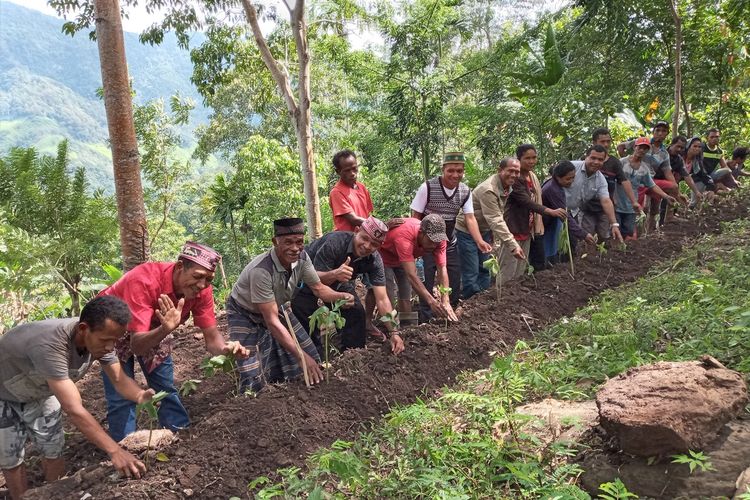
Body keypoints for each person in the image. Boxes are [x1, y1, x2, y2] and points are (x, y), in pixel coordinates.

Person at [0, 297, 156, 499]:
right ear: (83, 329)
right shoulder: (51, 346)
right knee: (11, 457)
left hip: (40, 388)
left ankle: (55, 493)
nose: (110, 347)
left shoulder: (100, 338)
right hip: (4, 393)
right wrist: (115, 451)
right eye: (105, 341)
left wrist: (139, 395)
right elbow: (74, 409)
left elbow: (119, 379)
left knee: (53, 448)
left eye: (114, 341)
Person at [99, 242, 248, 442]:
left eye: (209, 279)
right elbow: (136, 345)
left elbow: (212, 339)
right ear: (179, 267)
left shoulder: (202, 291)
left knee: (165, 388)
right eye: (197, 276)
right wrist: (165, 329)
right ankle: (126, 449)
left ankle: (178, 438)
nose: (202, 285)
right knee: (120, 396)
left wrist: (226, 349)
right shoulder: (144, 280)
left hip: (156, 327)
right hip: (112, 327)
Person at [227, 218, 355, 392]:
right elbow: (272, 321)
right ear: (275, 242)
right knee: (251, 372)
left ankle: (292, 388)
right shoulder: (262, 271)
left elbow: (318, 288)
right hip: (244, 311)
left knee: (309, 351)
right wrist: (302, 358)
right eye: (288, 242)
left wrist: (340, 296)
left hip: (276, 305)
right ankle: (255, 400)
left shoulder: (302, 258)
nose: (295, 248)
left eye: (299, 242)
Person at [291, 217, 404, 355]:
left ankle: (353, 355)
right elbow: (313, 281)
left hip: (339, 280)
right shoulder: (334, 243)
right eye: (364, 238)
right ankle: (313, 358)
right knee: (308, 319)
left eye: (374, 244)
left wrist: (394, 332)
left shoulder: (375, 260)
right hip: (305, 277)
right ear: (356, 231)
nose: (367, 246)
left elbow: (382, 299)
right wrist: (334, 274)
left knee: (356, 313)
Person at [410, 152, 492, 322]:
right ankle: (426, 318)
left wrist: (479, 241)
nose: (455, 175)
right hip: (426, 241)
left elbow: (470, 218)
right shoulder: (428, 187)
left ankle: (450, 313)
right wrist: (416, 245)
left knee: (454, 278)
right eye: (451, 170)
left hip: (448, 240)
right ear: (443, 170)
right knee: (427, 277)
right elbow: (415, 216)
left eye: (459, 171)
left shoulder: (464, 191)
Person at [328, 149, 389, 340]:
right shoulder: (337, 192)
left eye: (354, 169)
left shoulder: (361, 188)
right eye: (347, 170)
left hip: (367, 246)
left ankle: (367, 322)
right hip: (348, 248)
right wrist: (378, 228)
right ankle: (344, 330)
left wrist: (375, 231)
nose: (352, 173)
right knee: (344, 289)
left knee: (375, 286)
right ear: (338, 171)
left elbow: (368, 214)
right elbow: (353, 219)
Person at [455, 157, 525, 295]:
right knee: (471, 270)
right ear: (500, 170)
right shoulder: (489, 189)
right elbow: (495, 218)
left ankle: (483, 301)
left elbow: (497, 213)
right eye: (510, 171)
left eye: (517, 172)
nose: (514, 175)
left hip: (484, 231)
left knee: (485, 268)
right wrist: (513, 245)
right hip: (466, 232)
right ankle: (470, 304)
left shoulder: (507, 186)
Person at [379, 214, 458, 322]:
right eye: (430, 241)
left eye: (436, 242)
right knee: (388, 295)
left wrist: (446, 300)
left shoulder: (439, 240)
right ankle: (391, 329)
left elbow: (442, 269)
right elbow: (411, 275)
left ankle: (407, 327)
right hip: (384, 256)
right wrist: (431, 301)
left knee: (405, 294)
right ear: (421, 233)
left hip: (404, 258)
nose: (434, 245)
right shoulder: (405, 237)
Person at [506, 145, 567, 279]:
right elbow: (526, 201)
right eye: (527, 158)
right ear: (519, 159)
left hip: (531, 226)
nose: (531, 161)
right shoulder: (515, 180)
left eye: (534, 158)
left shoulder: (532, 176)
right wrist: (550, 211)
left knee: (524, 264)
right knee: (510, 266)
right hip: (515, 224)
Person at [616, 137, 677, 239]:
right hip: (617, 204)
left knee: (628, 233)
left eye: (645, 148)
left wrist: (666, 196)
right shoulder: (622, 162)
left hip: (631, 207)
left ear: (647, 151)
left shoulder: (644, 169)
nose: (642, 150)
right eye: (640, 147)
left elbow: (652, 185)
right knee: (615, 232)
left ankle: (623, 253)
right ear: (635, 147)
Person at [541, 161, 596, 263]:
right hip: (545, 225)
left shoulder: (555, 185)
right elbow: (564, 216)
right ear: (558, 177)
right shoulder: (553, 190)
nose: (571, 181)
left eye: (573, 178)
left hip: (550, 223)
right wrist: (583, 234)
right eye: (568, 179)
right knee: (547, 254)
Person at [568, 145, 624, 243]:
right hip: (555, 208)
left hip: (573, 213)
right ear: (586, 157)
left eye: (600, 159)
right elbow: (554, 177)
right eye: (593, 158)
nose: (596, 162)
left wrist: (614, 224)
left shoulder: (601, 181)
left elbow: (606, 201)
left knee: (571, 243)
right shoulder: (572, 167)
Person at [590, 127, 641, 214]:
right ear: (594, 143)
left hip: (606, 208)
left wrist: (634, 202)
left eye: (608, 141)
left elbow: (624, 181)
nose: (606, 145)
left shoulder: (614, 162)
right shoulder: (585, 161)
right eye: (602, 142)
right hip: (587, 207)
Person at [656, 136, 704, 224]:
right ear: (671, 144)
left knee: (673, 188)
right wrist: (678, 193)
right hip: (652, 181)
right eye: (677, 146)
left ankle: (669, 217)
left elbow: (686, 176)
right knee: (650, 208)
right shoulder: (661, 154)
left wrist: (696, 191)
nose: (679, 149)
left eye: (682, 148)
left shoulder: (678, 159)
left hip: (665, 183)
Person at [685, 136, 719, 206]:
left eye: (699, 147)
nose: (697, 148)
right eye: (695, 146)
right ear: (688, 146)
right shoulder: (679, 157)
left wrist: (711, 188)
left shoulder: (696, 161)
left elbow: (704, 175)